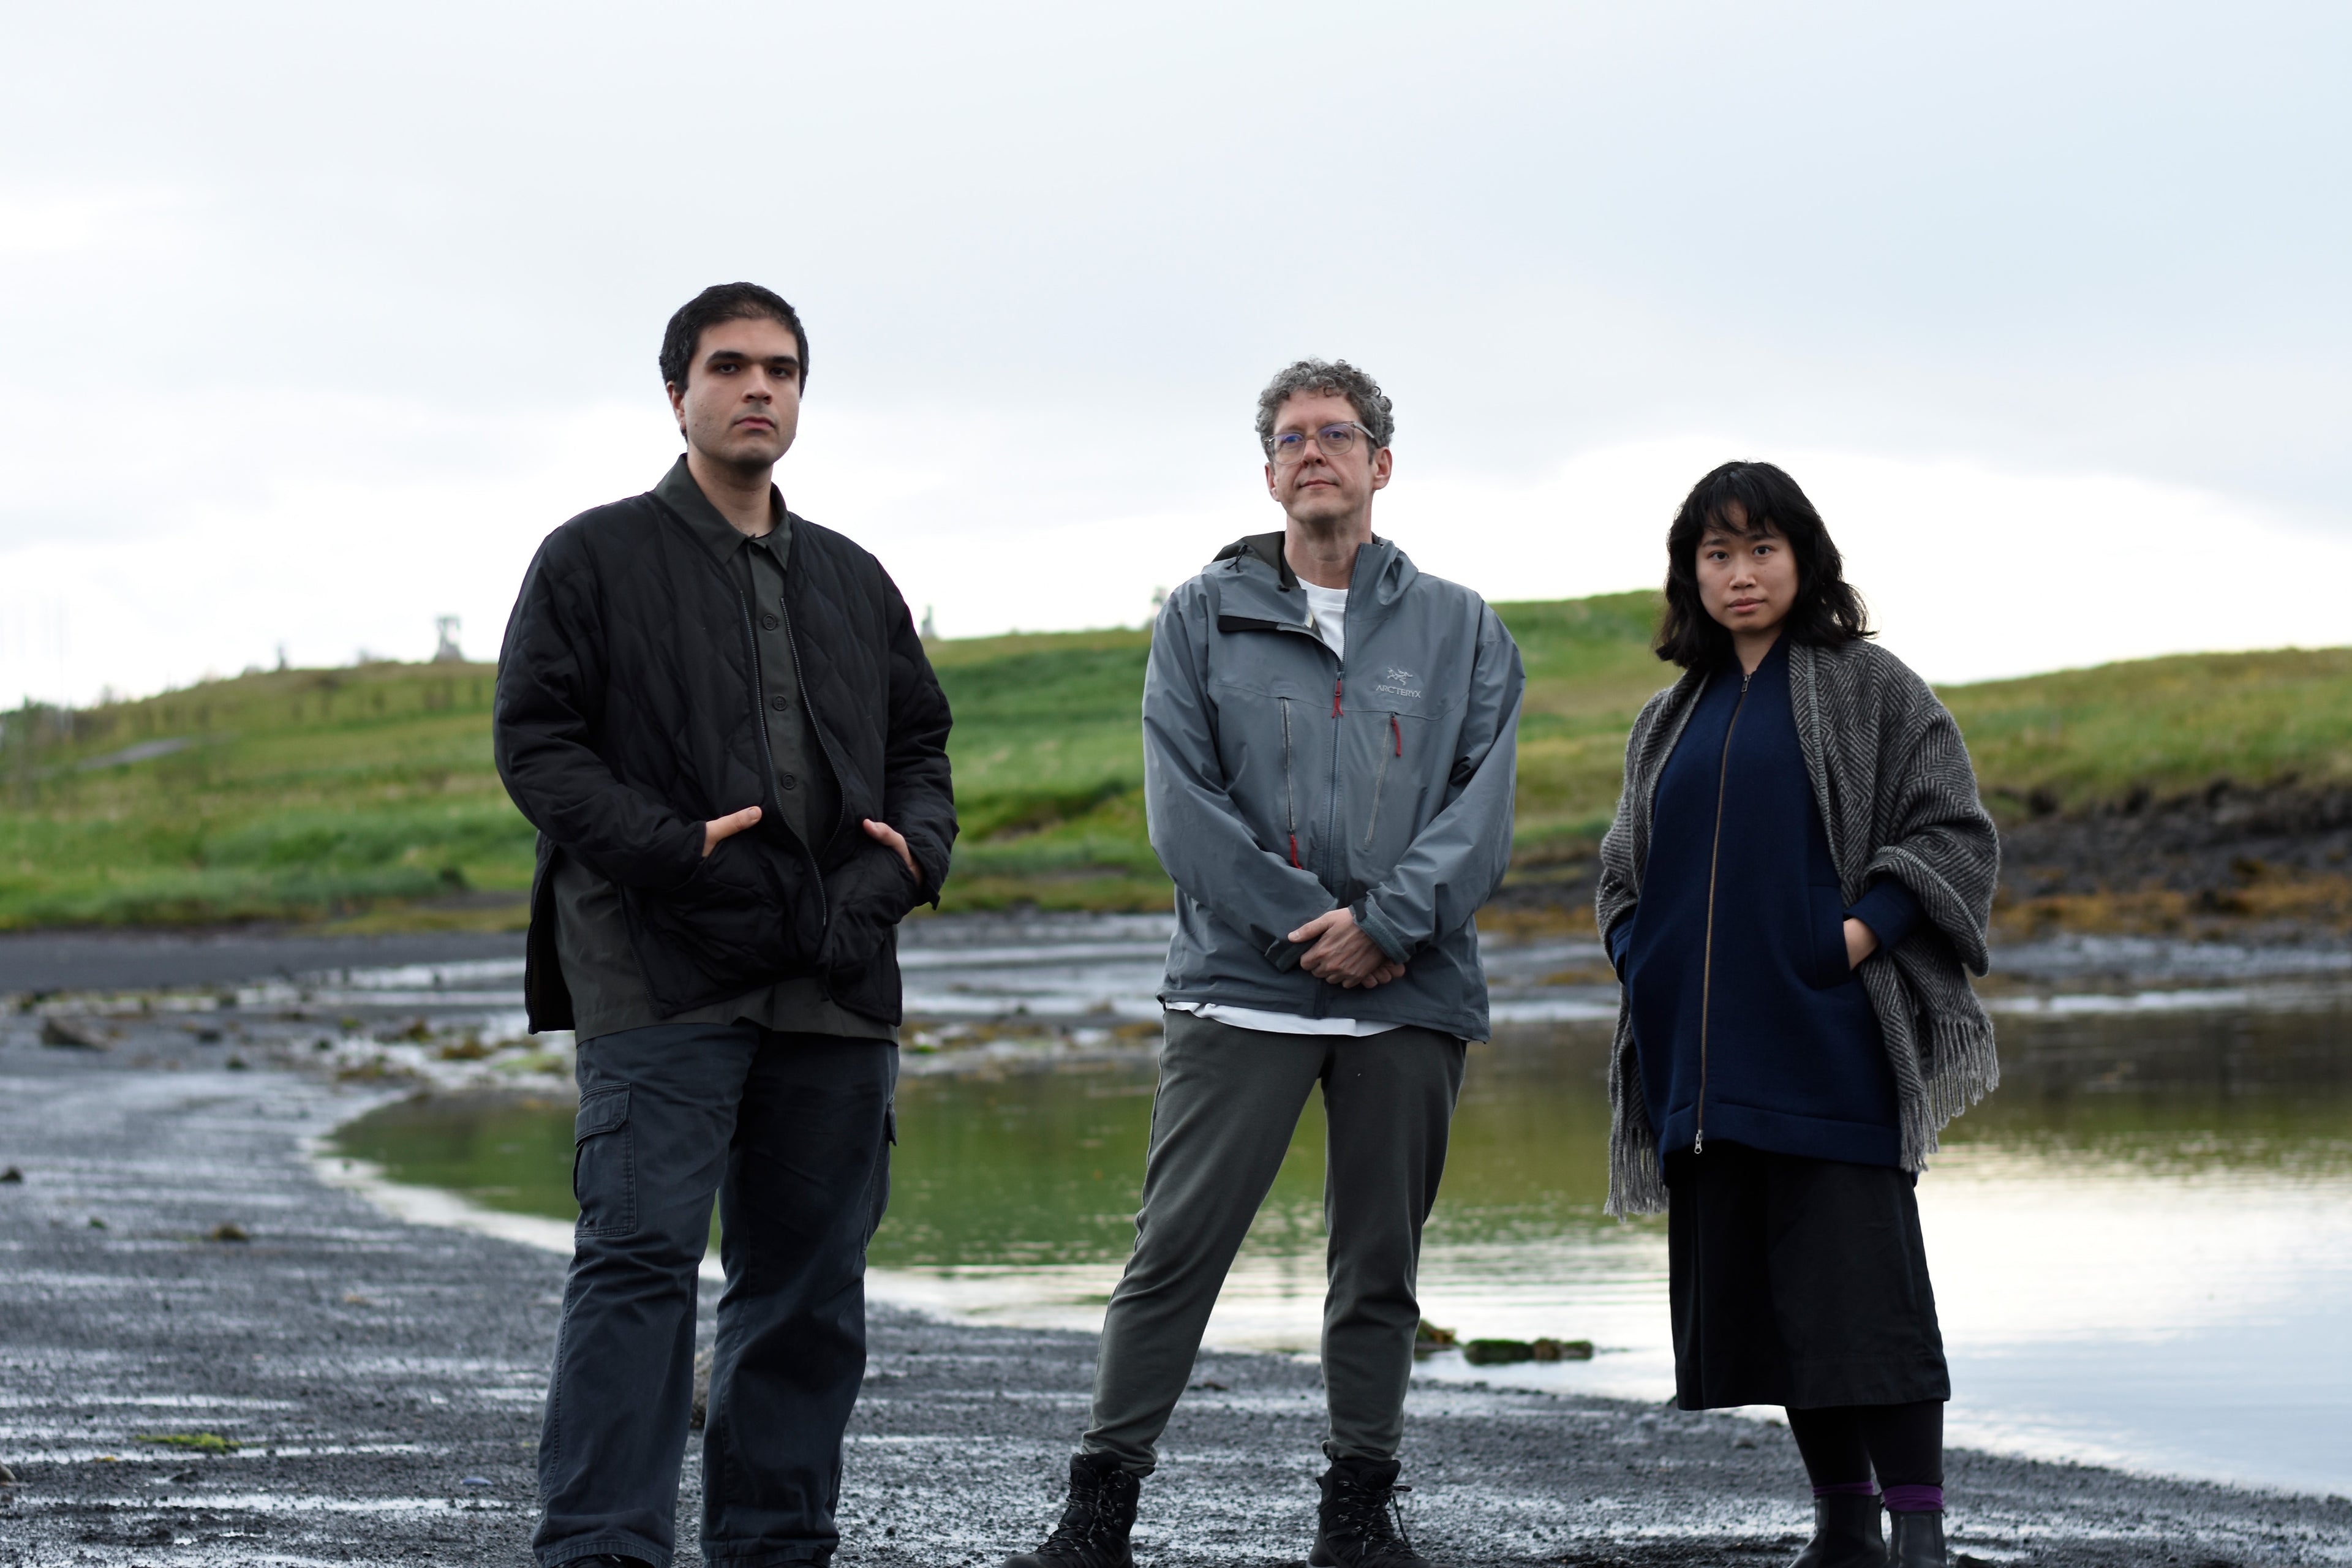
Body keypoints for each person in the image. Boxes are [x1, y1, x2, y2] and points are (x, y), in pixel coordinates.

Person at [1002, 360, 1524, 1568]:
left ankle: (1356, 1511)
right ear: (1270, 470)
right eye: (1290, 437)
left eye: (1337, 434)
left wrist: (1390, 924)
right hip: (1242, 987)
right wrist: (1315, 925)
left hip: (1414, 990)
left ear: (1381, 463)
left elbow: (1479, 813)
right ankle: (1098, 1512)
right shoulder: (1200, 615)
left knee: (1380, 1264)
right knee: (1173, 1251)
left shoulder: (1463, 627)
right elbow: (1183, 813)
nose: (1313, 452)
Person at [494, 282, 956, 1568]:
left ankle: (774, 1540)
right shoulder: (592, 558)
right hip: (662, 970)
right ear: (678, 391)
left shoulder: (857, 579)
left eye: (784, 370)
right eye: (732, 367)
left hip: (834, 979)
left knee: (808, 1285)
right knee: (639, 1264)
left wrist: (909, 862)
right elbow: (536, 743)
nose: (761, 388)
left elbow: (922, 744)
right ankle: (602, 1543)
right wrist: (666, 848)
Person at [1594, 462, 1999, 1568]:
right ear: (1691, 575)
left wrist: (1850, 939)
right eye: (1716, 555)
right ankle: (1841, 1525)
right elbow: (1623, 873)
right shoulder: (1667, 717)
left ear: (1803, 559)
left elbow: (1952, 831)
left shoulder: (1870, 687)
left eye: (1761, 550)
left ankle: (1918, 1529)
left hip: (1829, 1043)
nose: (1739, 574)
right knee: (1779, 1304)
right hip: (1707, 1063)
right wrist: (1646, 960)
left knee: (1866, 1296)